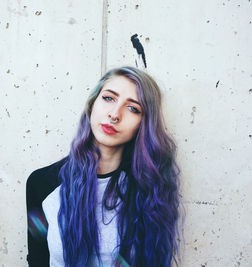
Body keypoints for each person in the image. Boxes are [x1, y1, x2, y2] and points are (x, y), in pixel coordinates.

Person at [26, 66, 181, 267]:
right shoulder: (41, 183)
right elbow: (37, 260)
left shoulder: (150, 189)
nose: (115, 114)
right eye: (109, 98)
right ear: (92, 104)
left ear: (143, 124)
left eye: (133, 108)